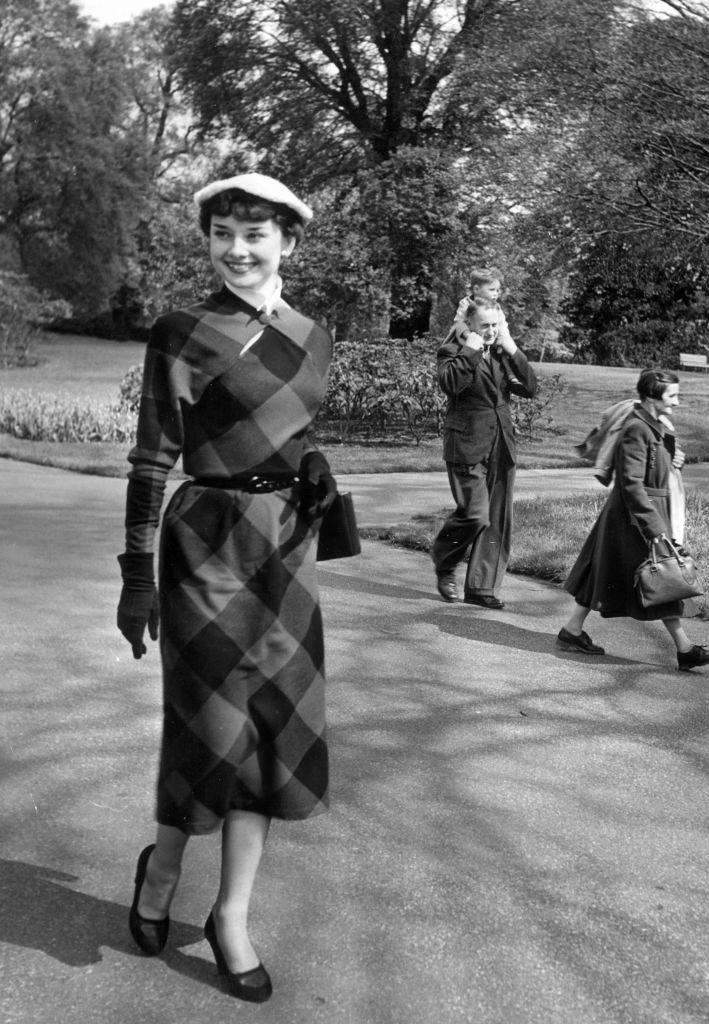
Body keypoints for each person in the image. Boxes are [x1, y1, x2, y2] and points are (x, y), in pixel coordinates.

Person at [116, 172, 337, 1003]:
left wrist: (311, 462)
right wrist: (136, 576)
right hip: (204, 545)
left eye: (255, 233)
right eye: (222, 234)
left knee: (274, 730)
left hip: (288, 550)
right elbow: (150, 460)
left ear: (289, 240)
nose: (237, 250)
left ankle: (231, 915)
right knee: (210, 727)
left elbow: (298, 424)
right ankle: (164, 867)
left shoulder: (314, 335)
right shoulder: (183, 331)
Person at [557, 368, 709, 671]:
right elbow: (631, 483)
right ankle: (685, 649)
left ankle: (572, 631)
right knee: (662, 574)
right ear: (651, 396)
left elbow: (662, 462)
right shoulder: (637, 428)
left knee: (607, 572)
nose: (677, 402)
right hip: (634, 515)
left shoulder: (658, 425)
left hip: (643, 512)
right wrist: (655, 528)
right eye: (672, 396)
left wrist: (676, 459)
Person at [431, 296, 537, 608]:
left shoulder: (503, 353)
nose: (490, 331)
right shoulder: (452, 351)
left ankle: (482, 587)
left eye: (495, 325)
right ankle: (444, 557)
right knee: (476, 514)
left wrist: (513, 348)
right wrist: (471, 350)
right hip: (466, 445)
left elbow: (530, 388)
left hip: (501, 445)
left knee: (497, 518)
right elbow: (450, 383)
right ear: (470, 326)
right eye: (484, 326)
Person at [453, 266, 513, 348]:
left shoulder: (495, 307)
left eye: (497, 290)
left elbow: (502, 323)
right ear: (476, 289)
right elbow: (459, 322)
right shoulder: (466, 304)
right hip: (468, 340)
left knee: (504, 342)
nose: (496, 293)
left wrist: (504, 338)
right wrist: (468, 335)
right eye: (492, 290)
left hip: (490, 339)